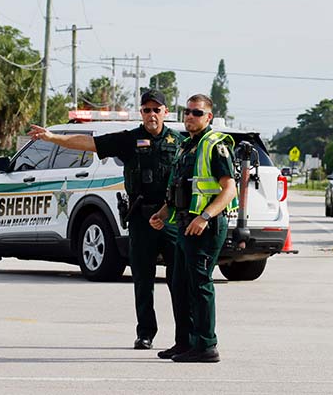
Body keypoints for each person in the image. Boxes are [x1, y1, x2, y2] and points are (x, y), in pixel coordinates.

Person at [28, 90, 184, 351]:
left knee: (178, 280)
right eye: (146, 110)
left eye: (156, 110)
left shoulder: (179, 142)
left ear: (166, 112)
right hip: (141, 217)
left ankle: (184, 336)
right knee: (143, 280)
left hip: (170, 218)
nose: (152, 115)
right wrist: (53, 137)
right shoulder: (130, 139)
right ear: (141, 113)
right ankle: (145, 332)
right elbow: (89, 143)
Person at [149, 94, 237, 363]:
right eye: (186, 112)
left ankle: (207, 345)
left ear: (208, 117)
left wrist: (205, 217)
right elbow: (180, 189)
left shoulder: (215, 144)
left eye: (197, 113)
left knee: (200, 284)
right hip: (185, 223)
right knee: (180, 284)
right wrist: (163, 214)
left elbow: (228, 189)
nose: (190, 116)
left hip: (205, 227)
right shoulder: (186, 146)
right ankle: (185, 342)